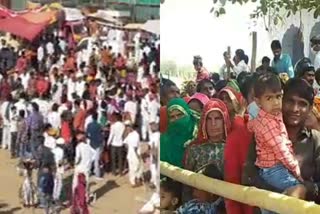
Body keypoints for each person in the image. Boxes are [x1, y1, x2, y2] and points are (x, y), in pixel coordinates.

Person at [243, 78, 320, 205]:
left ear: (310, 108)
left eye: (302, 104)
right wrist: (279, 198)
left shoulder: (316, 140)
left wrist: (305, 190)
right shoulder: (263, 131)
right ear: (281, 101)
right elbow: (248, 176)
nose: (295, 109)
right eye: (290, 101)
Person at [160, 98, 198, 168]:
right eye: (172, 117)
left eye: (180, 115)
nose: (177, 119)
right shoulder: (164, 141)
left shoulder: (200, 132)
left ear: (187, 113)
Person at [123, 121, 143, 187]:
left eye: (128, 126)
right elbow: (125, 143)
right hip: (132, 154)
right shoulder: (130, 135)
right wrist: (129, 149)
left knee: (135, 167)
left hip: (134, 154)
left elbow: (133, 146)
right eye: (126, 127)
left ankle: (135, 180)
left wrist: (137, 155)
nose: (127, 128)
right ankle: (134, 181)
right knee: (133, 168)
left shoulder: (135, 134)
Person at [86, 112, 104, 179]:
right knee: (96, 160)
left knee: (90, 159)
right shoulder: (99, 125)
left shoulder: (89, 125)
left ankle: (88, 172)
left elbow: (87, 134)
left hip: (91, 143)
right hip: (98, 144)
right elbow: (102, 133)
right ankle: (97, 174)